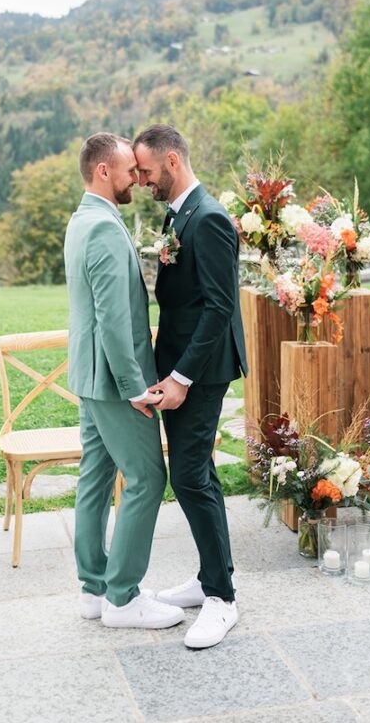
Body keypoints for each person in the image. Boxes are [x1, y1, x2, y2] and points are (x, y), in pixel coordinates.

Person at [133, 123, 248, 649]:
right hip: (179, 363)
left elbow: (220, 308)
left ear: (173, 162)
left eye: (147, 171)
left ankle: (222, 600)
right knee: (197, 473)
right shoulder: (177, 215)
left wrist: (181, 378)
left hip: (202, 371)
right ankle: (209, 579)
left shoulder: (211, 220)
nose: (141, 180)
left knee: (190, 476)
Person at [64, 132, 184, 630]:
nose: (137, 176)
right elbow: (113, 319)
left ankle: (94, 589)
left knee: (94, 480)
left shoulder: (81, 221)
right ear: (103, 172)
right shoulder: (106, 230)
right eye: (128, 170)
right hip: (115, 384)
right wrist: (135, 386)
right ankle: (123, 598)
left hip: (89, 379)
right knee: (147, 478)